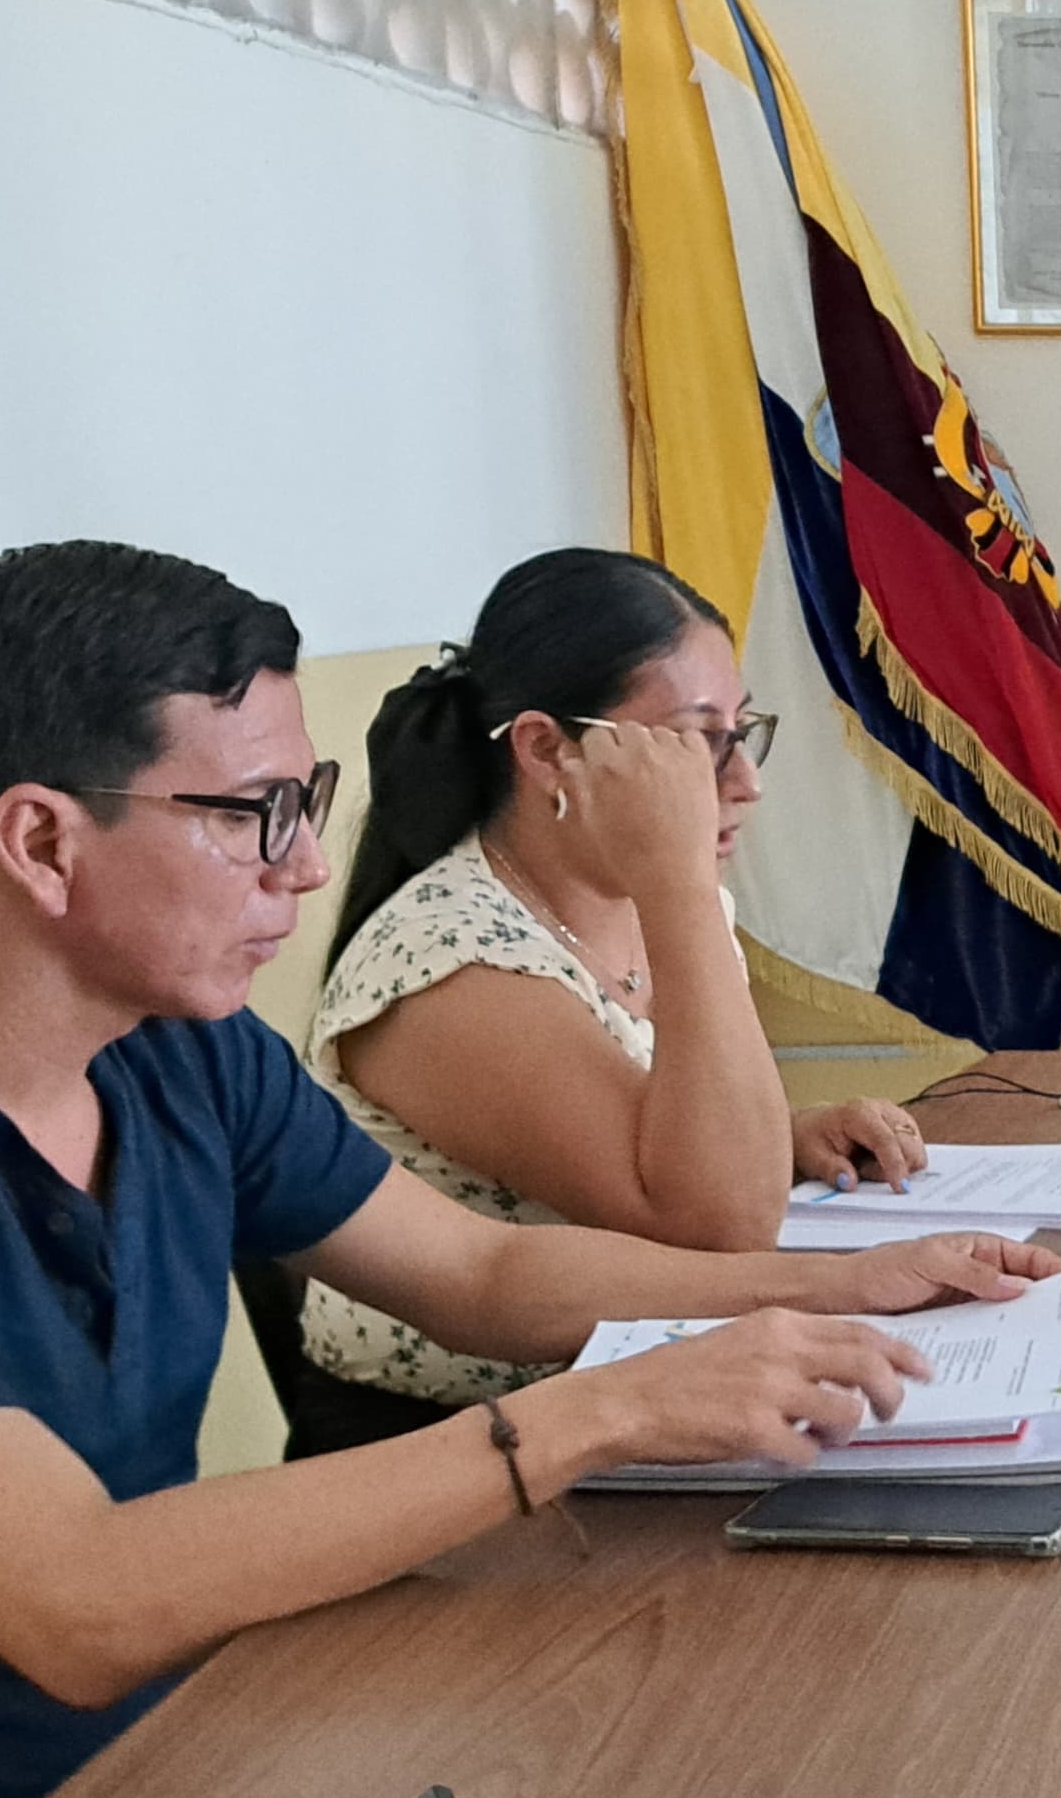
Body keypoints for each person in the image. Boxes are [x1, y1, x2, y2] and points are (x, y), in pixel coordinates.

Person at [0, 541, 1061, 1798]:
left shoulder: (174, 1049)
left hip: (190, 1753)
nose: (309, 864)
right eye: (254, 813)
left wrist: (833, 1284)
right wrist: (597, 1414)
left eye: (310, 798)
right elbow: (78, 1600)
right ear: (41, 841)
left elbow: (476, 1271)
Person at [296, 548, 930, 1442]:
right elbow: (719, 1232)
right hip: (452, 1445)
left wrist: (785, 1137)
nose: (744, 781)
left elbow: (660, 1146)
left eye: (741, 732)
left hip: (631, 1405)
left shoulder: (647, 901)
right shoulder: (450, 961)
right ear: (547, 749)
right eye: (697, 741)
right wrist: (679, 882)